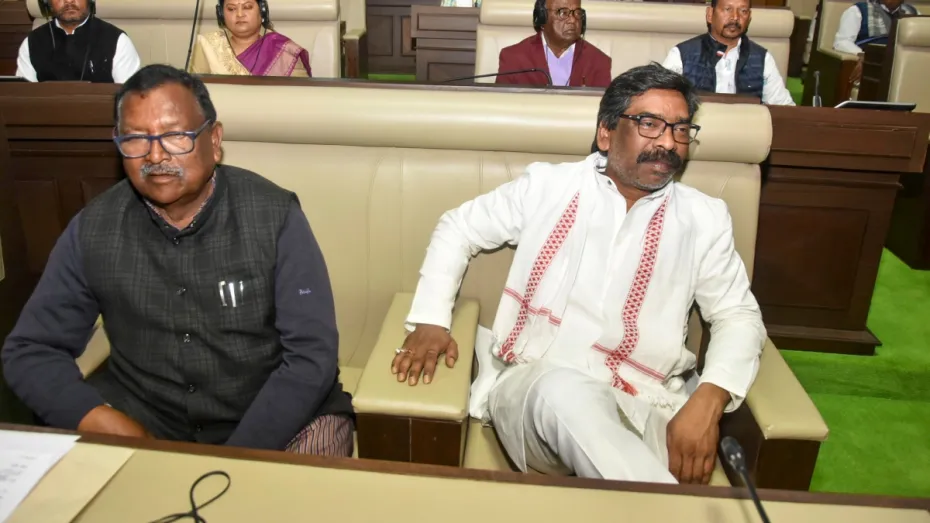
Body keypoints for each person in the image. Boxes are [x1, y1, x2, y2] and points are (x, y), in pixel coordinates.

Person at [393, 63, 765, 484]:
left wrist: (708, 400)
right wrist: (431, 319)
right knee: (564, 391)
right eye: (649, 124)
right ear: (606, 132)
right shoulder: (547, 186)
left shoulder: (704, 218)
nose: (668, 142)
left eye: (680, 129)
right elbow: (458, 228)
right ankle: (671, 509)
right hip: (534, 394)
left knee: (620, 448)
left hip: (648, 403)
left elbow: (737, 314)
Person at [1, 64, 353, 456]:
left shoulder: (275, 216)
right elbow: (30, 350)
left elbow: (311, 357)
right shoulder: (94, 227)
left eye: (174, 136)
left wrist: (235, 459)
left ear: (214, 140)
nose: (155, 155)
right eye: (136, 139)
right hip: (146, 423)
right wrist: (95, 417)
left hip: (276, 418)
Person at [662, 0, 794, 106]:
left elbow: (783, 108)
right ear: (710, 14)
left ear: (749, 18)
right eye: (727, 9)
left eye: (743, 11)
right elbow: (660, 102)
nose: (735, 17)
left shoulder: (762, 59)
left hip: (746, 127)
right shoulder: (682, 55)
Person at [15, 0, 141, 83]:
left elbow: (129, 99)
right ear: (46, 2)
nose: (69, 1)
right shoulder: (32, 43)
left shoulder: (117, 40)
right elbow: (23, 97)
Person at [495, 0, 612, 87]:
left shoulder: (599, 61)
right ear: (542, 18)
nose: (572, 20)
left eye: (577, 13)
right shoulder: (513, 58)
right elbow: (501, 104)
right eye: (563, 13)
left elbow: (606, 110)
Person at [189, 0, 312, 77]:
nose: (239, 14)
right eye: (231, 9)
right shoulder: (208, 45)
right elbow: (194, 96)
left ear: (262, 11)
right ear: (221, 14)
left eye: (247, 7)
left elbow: (299, 97)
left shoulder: (284, 51)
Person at [833, 0, 919, 85]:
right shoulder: (858, 10)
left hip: (906, 68)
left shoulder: (914, 13)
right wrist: (863, 56)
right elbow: (842, 41)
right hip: (875, 64)